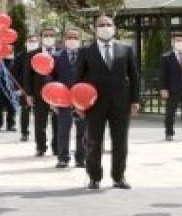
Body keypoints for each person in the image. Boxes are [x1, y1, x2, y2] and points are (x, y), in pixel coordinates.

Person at [75, 15, 140, 190]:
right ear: (95, 29)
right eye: (101, 25)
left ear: (114, 28)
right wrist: (78, 104)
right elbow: (78, 80)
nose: (105, 27)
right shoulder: (86, 52)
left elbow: (134, 77)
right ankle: (94, 177)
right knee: (94, 141)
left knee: (120, 141)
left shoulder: (125, 50)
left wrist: (135, 100)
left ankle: (119, 177)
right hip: (94, 105)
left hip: (121, 103)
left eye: (108, 24)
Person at [21, 28, 60, 154]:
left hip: (58, 94)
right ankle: (41, 147)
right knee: (39, 122)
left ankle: (57, 147)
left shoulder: (61, 52)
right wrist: (28, 94)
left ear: (56, 37)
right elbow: (27, 75)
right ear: (41, 37)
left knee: (58, 122)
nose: (48, 37)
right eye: (46, 35)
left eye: (51, 35)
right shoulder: (33, 54)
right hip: (39, 93)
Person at [53, 28, 85, 169]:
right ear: (65, 40)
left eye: (75, 37)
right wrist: (52, 101)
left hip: (82, 99)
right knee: (63, 130)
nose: (72, 40)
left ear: (80, 39)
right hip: (63, 99)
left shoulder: (86, 56)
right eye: (69, 37)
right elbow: (51, 79)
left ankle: (81, 159)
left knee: (83, 131)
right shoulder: (56, 56)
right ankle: (63, 158)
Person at [8, 35, 38, 134]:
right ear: (25, 43)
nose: (32, 43)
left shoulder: (41, 55)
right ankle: (24, 132)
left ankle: (40, 134)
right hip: (24, 88)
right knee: (25, 112)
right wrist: (16, 89)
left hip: (38, 88)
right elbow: (12, 74)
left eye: (34, 41)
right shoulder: (20, 57)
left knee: (39, 113)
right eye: (30, 41)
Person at [0, 53, 19, 133]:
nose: (9, 54)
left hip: (12, 89)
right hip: (0, 88)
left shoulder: (15, 62)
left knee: (12, 106)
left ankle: (11, 124)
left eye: (11, 52)